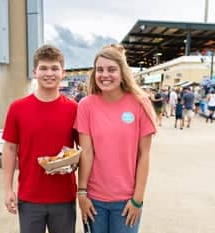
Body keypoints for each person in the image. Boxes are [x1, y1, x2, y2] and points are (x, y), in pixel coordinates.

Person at [75, 44, 156, 233]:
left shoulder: (140, 103)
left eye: (112, 69)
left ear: (122, 73)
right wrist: (82, 193)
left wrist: (138, 199)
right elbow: (86, 152)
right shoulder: (86, 105)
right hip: (94, 200)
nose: (105, 75)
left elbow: (144, 155)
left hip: (127, 200)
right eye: (100, 70)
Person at [2, 45, 77, 233]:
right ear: (34, 72)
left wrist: (73, 162)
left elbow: (84, 150)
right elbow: (10, 149)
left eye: (54, 68)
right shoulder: (17, 108)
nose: (49, 73)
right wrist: (8, 189)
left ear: (63, 73)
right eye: (43, 68)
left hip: (64, 196)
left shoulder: (74, 109)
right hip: (30, 196)